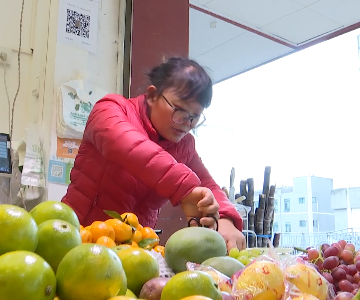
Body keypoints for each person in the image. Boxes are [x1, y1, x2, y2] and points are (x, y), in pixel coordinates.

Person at [62, 57, 246, 250]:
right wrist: (183, 189)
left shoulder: (184, 146)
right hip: (78, 237)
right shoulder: (111, 109)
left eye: (195, 116)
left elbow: (208, 185)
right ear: (152, 96)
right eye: (180, 110)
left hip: (133, 250)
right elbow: (127, 146)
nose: (187, 123)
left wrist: (226, 218)